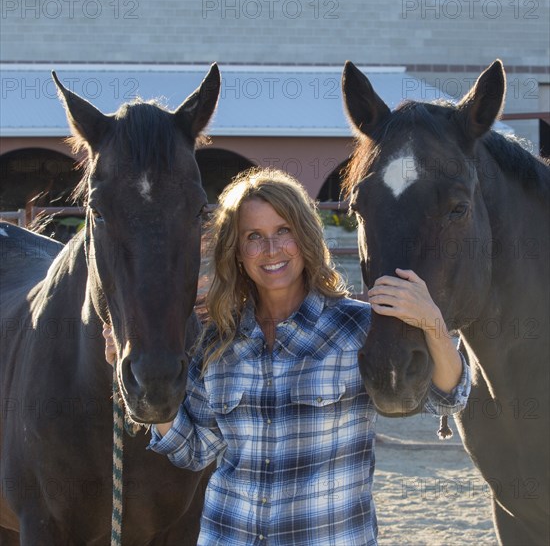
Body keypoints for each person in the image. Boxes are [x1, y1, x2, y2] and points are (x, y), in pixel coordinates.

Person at [103, 168, 470, 546]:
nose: (272, 249)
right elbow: (193, 449)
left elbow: (447, 397)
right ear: (237, 252)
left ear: (305, 237)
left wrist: (433, 324)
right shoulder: (217, 344)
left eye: (284, 231)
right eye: (254, 237)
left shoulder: (357, 329)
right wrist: (124, 371)